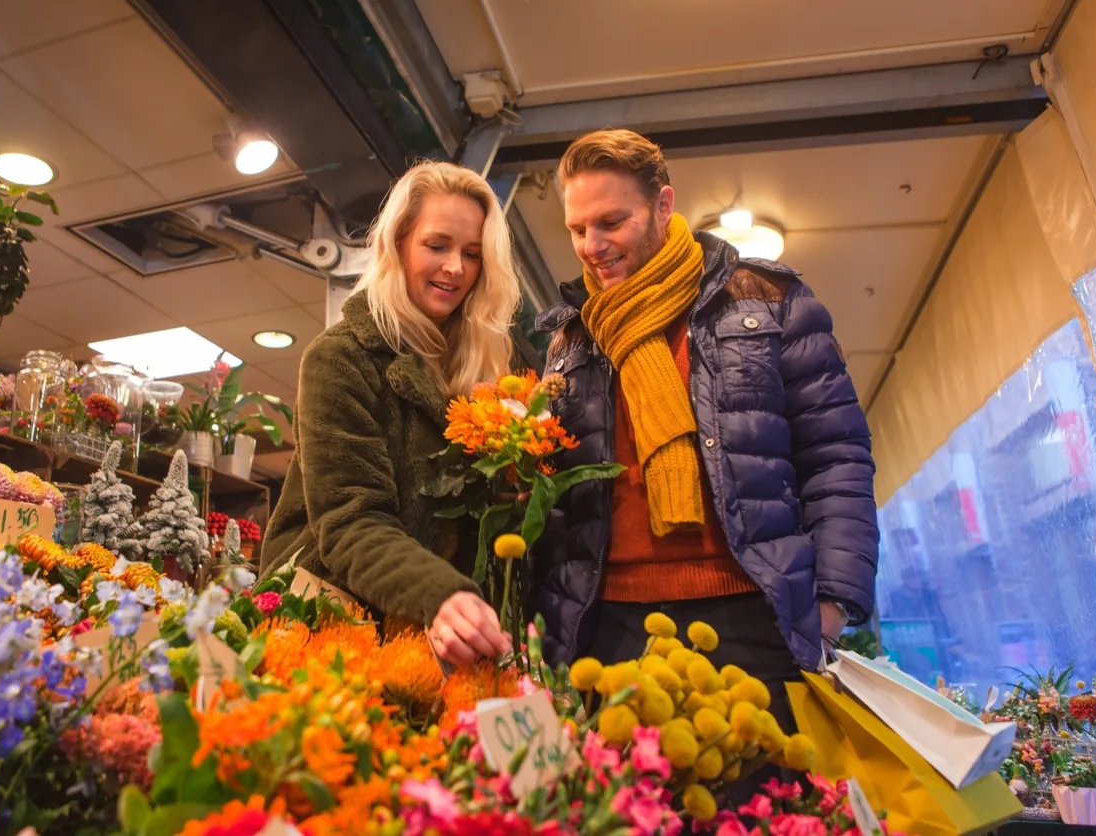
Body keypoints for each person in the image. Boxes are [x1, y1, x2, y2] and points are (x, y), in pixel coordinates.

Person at [531, 129, 879, 738]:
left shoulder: (769, 301)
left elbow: (837, 456)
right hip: (608, 625)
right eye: (577, 229)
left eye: (611, 222)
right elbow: (559, 503)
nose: (592, 246)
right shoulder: (571, 340)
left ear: (664, 206)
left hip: (753, 614)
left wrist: (831, 603)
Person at [260, 161, 521, 667]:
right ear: (398, 243)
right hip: (326, 631)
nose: (455, 268)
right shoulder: (342, 357)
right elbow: (351, 520)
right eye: (437, 245)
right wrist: (443, 594)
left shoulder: (474, 376)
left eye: (471, 254)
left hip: (427, 642)